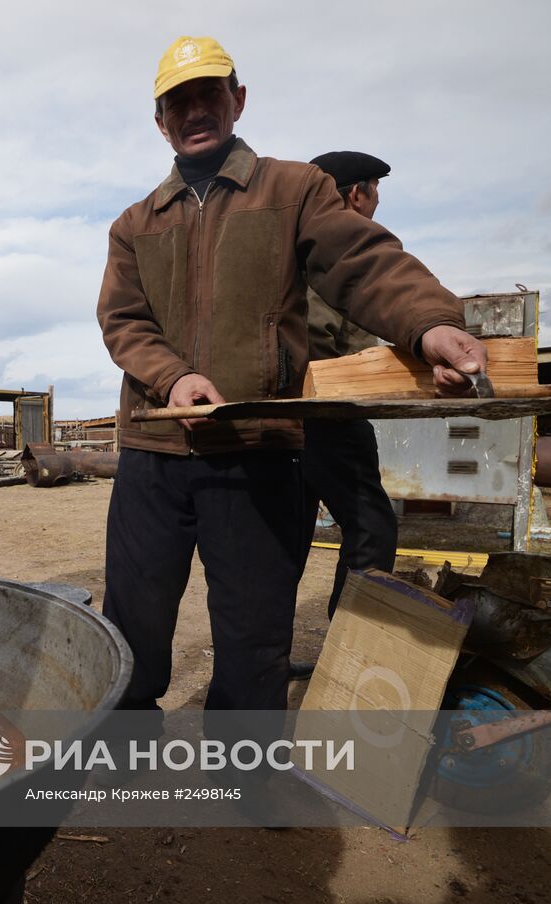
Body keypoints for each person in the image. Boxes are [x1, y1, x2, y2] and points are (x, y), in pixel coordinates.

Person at [95, 36, 488, 715]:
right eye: (177, 102)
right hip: (154, 456)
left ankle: (244, 768)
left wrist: (428, 324)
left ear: (237, 101)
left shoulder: (293, 191)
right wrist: (173, 378)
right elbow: (124, 321)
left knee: (255, 630)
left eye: (208, 95)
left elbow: (365, 264)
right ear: (160, 120)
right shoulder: (135, 224)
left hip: (260, 450)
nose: (195, 111)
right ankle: (127, 737)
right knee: (137, 616)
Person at [300, 151, 402, 634]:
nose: (376, 200)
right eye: (374, 189)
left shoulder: (293, 243)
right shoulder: (341, 248)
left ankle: (268, 663)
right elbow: (320, 342)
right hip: (329, 416)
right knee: (372, 531)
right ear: (357, 193)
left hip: (287, 420)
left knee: (284, 539)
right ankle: (351, 649)